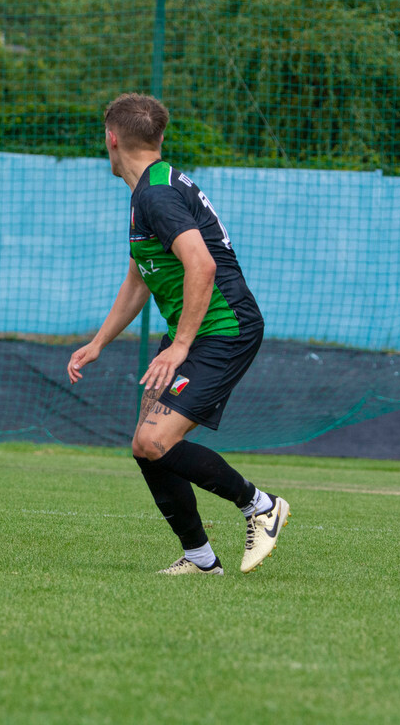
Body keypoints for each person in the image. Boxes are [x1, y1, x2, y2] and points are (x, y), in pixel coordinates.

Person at [67, 92, 289, 575]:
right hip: (195, 330)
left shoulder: (157, 195)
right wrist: (99, 342)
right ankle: (201, 559)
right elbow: (138, 279)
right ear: (160, 137)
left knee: (154, 441)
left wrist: (181, 345)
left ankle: (260, 505)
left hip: (222, 329)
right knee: (146, 446)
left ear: (110, 138)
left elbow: (201, 265)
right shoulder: (150, 189)